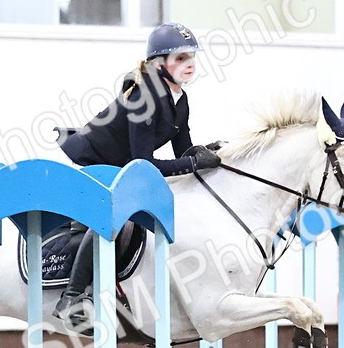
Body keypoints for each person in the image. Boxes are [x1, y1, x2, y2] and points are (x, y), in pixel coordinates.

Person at [53, 21, 222, 330]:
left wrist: (204, 153)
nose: (190, 64)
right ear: (159, 63)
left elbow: (181, 152)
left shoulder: (180, 99)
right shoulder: (142, 97)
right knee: (116, 214)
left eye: (191, 57)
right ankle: (71, 297)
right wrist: (195, 164)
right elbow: (144, 163)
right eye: (180, 58)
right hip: (94, 162)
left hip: (123, 164)